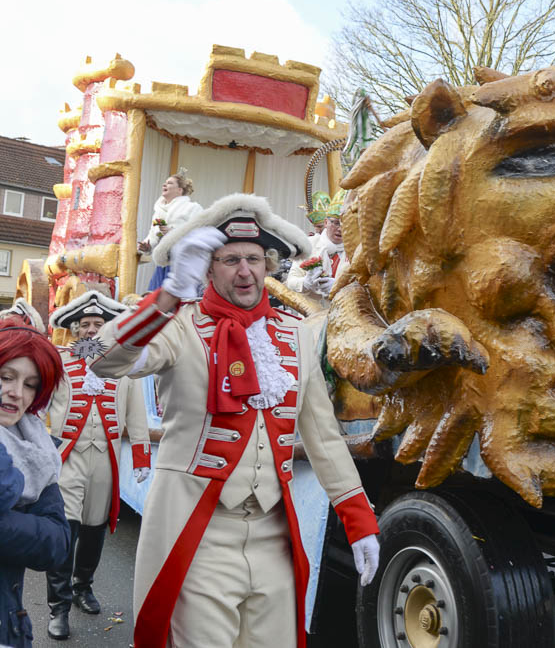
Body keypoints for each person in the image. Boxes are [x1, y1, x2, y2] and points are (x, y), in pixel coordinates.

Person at [88, 193, 380, 648]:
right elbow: (99, 359)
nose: (245, 270)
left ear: (269, 265)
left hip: (273, 536)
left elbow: (323, 436)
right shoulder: (179, 325)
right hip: (198, 534)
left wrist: (359, 518)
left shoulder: (296, 334)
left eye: (254, 258)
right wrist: (165, 296)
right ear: (207, 268)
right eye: (229, 260)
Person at [43, 291, 152, 640]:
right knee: (65, 529)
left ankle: (82, 587)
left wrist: (140, 456)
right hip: (68, 457)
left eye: (98, 324)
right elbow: (41, 407)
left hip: (105, 457)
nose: (91, 331)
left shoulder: (122, 366)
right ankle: (57, 607)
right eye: (85, 325)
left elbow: (136, 415)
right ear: (76, 330)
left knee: (93, 528)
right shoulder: (59, 362)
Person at [0, 316, 71, 647]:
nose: (16, 393)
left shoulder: (37, 453)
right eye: (6, 377)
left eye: (30, 384)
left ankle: (69, 603)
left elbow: (57, 544)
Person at [137, 168, 203, 292]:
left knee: (178, 302)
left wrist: (174, 233)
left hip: (184, 264)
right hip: (162, 264)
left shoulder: (193, 208)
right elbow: (153, 236)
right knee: (155, 300)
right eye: (165, 182)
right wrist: (147, 247)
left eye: (170, 183)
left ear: (180, 190)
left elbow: (201, 234)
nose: (164, 184)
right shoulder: (159, 212)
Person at [286, 189, 347, 303]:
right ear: (326, 222)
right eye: (336, 222)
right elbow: (290, 282)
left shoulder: (355, 250)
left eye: (345, 223)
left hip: (341, 315)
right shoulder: (309, 244)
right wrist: (305, 283)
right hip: (312, 314)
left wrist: (339, 287)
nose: (340, 228)